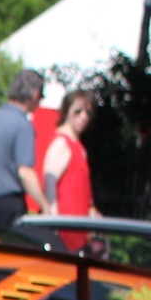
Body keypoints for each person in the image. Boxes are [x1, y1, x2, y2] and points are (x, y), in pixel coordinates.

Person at [0, 68, 47, 231]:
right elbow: (25, 172)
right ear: (35, 94)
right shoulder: (23, 126)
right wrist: (45, 205)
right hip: (9, 206)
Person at [40, 88, 103, 254]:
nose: (84, 116)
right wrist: (53, 222)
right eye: (78, 111)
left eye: (88, 112)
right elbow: (49, 183)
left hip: (77, 229)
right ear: (66, 110)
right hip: (64, 231)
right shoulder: (62, 142)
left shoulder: (78, 146)